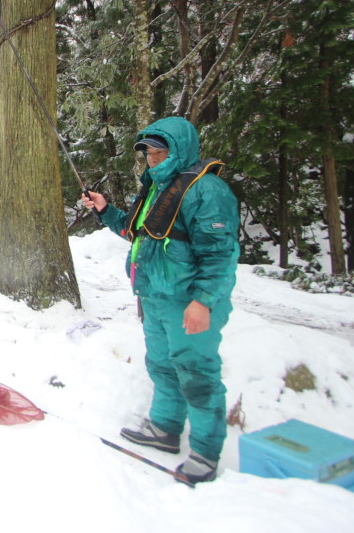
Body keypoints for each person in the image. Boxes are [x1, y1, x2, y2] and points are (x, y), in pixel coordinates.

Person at [82, 116, 240, 484]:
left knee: (197, 373)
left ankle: (205, 450)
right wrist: (106, 210)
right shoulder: (155, 188)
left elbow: (220, 255)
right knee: (163, 365)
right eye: (148, 152)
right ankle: (165, 428)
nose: (152, 158)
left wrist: (203, 301)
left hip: (188, 301)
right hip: (153, 295)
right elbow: (137, 231)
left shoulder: (207, 191)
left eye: (159, 151)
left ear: (179, 150)